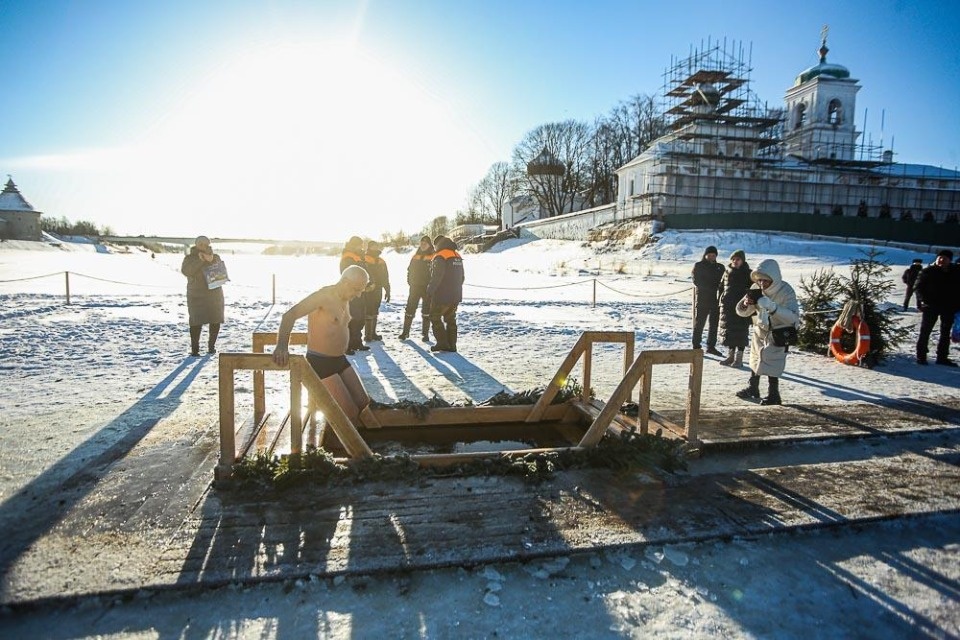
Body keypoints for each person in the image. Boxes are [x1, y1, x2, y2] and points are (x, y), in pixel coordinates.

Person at [271, 265, 379, 427]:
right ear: (344, 282)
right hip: (320, 362)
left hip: (340, 360)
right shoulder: (322, 297)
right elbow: (289, 316)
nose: (357, 295)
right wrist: (281, 346)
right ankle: (343, 449)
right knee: (349, 413)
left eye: (361, 291)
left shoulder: (345, 298)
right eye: (356, 290)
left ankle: (366, 443)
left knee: (364, 404)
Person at [735, 258, 799, 406]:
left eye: (766, 281)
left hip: (779, 332)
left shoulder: (786, 291)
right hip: (760, 329)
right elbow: (743, 312)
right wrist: (745, 304)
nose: (762, 284)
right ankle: (753, 388)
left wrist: (773, 307)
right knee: (755, 359)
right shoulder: (756, 289)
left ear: (774, 278)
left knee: (773, 363)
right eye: (760, 281)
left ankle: (774, 394)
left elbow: (793, 317)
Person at [180, 235, 225, 356]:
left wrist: (212, 260)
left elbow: (222, 273)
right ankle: (195, 349)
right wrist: (200, 261)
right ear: (196, 244)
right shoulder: (190, 258)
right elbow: (186, 271)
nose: (203, 246)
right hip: (196, 294)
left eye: (206, 244)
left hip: (214, 294)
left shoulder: (215, 257)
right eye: (200, 244)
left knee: (215, 319)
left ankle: (211, 347)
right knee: (195, 321)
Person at [915, 249, 958, 367]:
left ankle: (942, 357)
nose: (942, 260)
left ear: (950, 260)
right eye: (940, 258)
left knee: (945, 333)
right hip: (931, 306)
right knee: (925, 332)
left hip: (949, 307)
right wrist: (923, 301)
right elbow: (918, 287)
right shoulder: (928, 271)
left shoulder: (955, 272)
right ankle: (921, 356)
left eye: (945, 258)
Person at [427, 235, 464, 353]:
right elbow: (462, 277)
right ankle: (452, 345)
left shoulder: (440, 256)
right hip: (456, 294)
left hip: (442, 294)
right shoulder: (457, 255)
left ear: (438, 244)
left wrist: (430, 290)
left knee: (434, 316)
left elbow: (437, 276)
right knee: (451, 319)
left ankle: (442, 343)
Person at [718, 249, 752, 367]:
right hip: (727, 307)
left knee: (741, 332)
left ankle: (739, 359)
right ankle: (730, 356)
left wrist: (748, 304)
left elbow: (753, 290)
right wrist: (721, 300)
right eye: (733, 259)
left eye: (738, 259)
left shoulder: (748, 273)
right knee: (730, 332)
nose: (735, 261)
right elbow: (721, 287)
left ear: (742, 260)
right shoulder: (727, 271)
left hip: (742, 307)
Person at [399, 235, 435, 341]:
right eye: (421, 243)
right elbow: (409, 270)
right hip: (415, 287)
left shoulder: (433, 255)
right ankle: (405, 333)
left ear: (429, 244)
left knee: (426, 311)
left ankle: (425, 334)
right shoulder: (415, 256)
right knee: (410, 309)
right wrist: (410, 281)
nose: (423, 245)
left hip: (427, 288)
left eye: (425, 243)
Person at [692, 245, 725, 356]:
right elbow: (697, 281)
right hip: (703, 299)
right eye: (709, 255)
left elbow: (724, 282)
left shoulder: (720, 267)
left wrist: (720, 290)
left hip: (716, 300)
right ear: (705, 255)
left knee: (714, 325)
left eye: (713, 255)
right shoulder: (699, 266)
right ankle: (696, 346)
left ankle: (711, 346)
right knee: (699, 324)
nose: (711, 257)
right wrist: (712, 286)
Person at [339, 236, 368, 354]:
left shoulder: (359, 255)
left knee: (360, 318)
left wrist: (369, 283)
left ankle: (357, 342)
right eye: (359, 245)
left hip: (360, 289)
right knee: (352, 318)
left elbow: (364, 271)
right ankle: (347, 345)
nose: (361, 247)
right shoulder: (348, 256)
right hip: (351, 291)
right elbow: (349, 274)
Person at [361, 240, 391, 342]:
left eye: (376, 246)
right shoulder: (364, 259)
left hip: (378, 289)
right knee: (368, 310)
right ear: (369, 247)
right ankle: (367, 335)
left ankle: (373, 333)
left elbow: (385, 276)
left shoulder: (381, 261)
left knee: (375, 309)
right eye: (373, 246)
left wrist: (387, 289)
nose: (375, 248)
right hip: (368, 288)